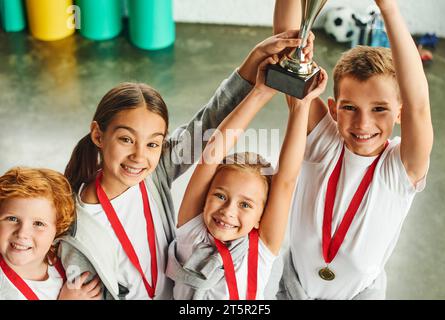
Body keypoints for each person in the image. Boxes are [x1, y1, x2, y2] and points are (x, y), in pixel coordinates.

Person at [59, 30, 314, 300]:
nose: (138, 156)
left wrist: (256, 59)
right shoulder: (75, 225)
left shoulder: (155, 172)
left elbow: (208, 124)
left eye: (153, 144)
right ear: (99, 135)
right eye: (125, 139)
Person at [274, 0, 433, 299]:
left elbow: (420, 104)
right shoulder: (322, 139)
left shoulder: (399, 168)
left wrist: (389, 10)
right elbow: (286, 56)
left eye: (379, 109)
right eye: (350, 107)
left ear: (400, 113)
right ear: (333, 109)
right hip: (292, 291)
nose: (363, 123)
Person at [165, 52, 328, 300]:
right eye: (220, 195)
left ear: (260, 217)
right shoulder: (193, 231)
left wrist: (301, 106)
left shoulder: (261, 247)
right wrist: (260, 92)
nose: (228, 211)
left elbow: (285, 181)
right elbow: (212, 152)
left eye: (245, 205)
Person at [0, 167, 101, 300]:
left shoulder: (67, 260)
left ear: (58, 228)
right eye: (12, 219)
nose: (22, 233)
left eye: (38, 224)